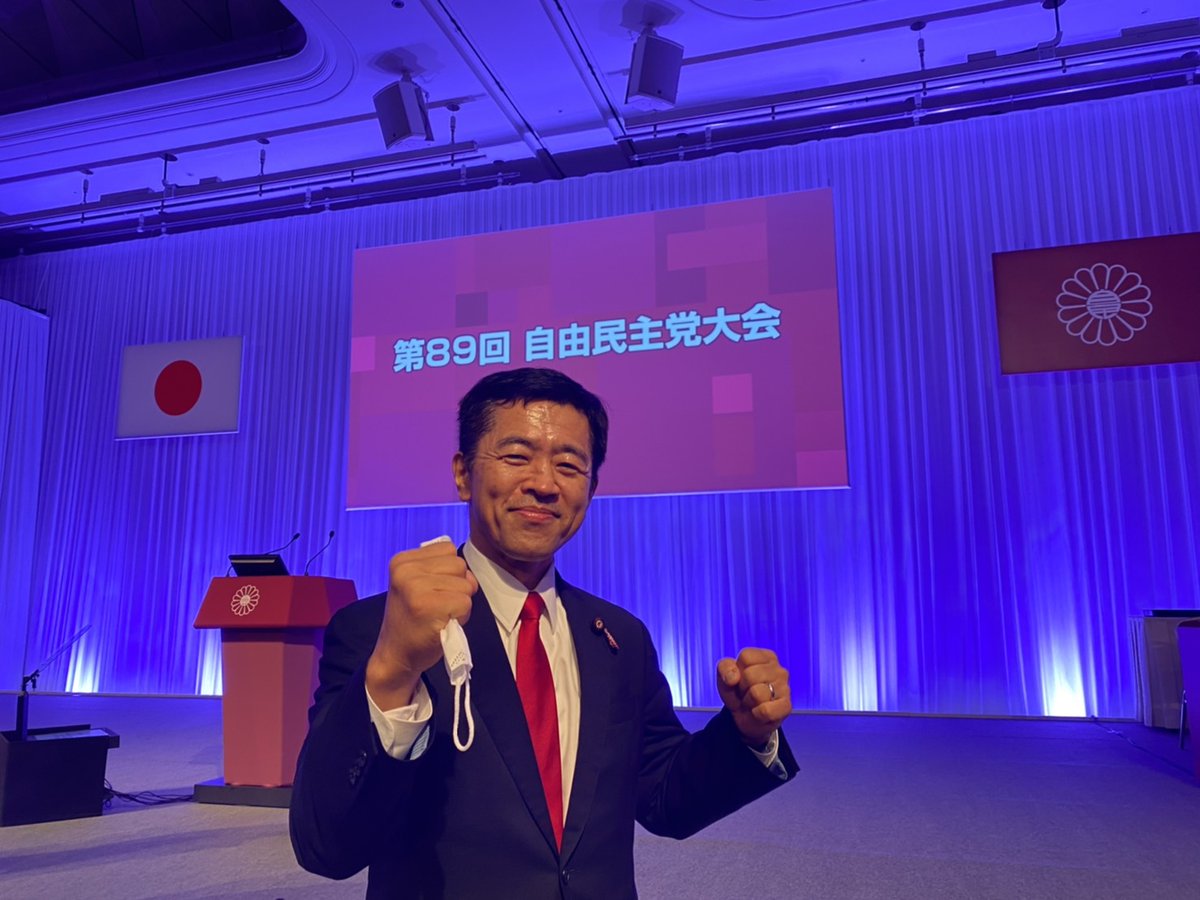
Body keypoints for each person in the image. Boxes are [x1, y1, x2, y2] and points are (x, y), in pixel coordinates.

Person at [290, 367, 798, 899]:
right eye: (516, 456)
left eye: (569, 465)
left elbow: (665, 797)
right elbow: (327, 846)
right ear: (462, 474)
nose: (544, 483)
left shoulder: (619, 638)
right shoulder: (379, 631)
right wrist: (394, 669)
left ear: (591, 489)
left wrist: (745, 734)